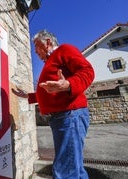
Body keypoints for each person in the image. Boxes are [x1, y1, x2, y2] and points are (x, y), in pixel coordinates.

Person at [12, 30, 94, 178]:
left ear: (48, 42)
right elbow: (50, 91)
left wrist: (68, 84)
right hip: (63, 117)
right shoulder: (50, 61)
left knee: (65, 170)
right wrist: (28, 96)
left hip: (70, 114)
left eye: (36, 46)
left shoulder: (64, 49)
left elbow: (87, 71)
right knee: (74, 166)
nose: (35, 51)